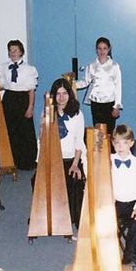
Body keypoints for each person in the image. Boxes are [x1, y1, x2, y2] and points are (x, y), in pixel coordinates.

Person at [111, 125, 136, 268]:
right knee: (102, 224)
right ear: (112, 143)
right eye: (117, 143)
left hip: (132, 205)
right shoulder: (106, 161)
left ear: (132, 143)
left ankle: (129, 253)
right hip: (112, 203)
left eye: (125, 143)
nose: (121, 147)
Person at [0, 40, 38, 170]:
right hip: (9, 99)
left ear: (21, 52)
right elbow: (1, 85)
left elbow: (31, 89)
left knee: (25, 131)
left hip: (23, 100)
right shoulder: (3, 67)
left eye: (15, 50)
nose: (12, 53)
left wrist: (30, 107)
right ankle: (12, 160)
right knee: (10, 130)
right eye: (10, 50)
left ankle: (27, 162)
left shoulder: (29, 69)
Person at [50, 78, 86, 229]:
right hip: (53, 159)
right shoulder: (48, 113)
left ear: (69, 95)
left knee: (73, 179)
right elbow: (43, 141)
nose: (61, 97)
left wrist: (75, 164)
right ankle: (48, 215)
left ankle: (74, 217)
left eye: (65, 93)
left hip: (72, 158)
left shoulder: (77, 114)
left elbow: (79, 141)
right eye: (58, 94)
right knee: (36, 180)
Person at [77, 37, 122, 136]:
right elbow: (85, 82)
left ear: (109, 49)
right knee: (98, 131)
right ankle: (99, 151)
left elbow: (118, 87)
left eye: (104, 48)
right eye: (99, 48)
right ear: (96, 50)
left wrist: (117, 106)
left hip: (109, 103)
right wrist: (72, 84)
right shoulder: (91, 66)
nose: (102, 51)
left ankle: (110, 151)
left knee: (109, 132)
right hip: (96, 104)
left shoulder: (114, 66)